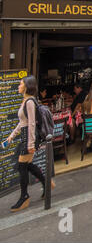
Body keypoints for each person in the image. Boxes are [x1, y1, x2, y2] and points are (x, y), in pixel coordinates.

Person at [6, 76, 55, 212]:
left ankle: (24, 197)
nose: (18, 86)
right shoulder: (25, 101)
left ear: (27, 86)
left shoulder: (30, 102)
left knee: (22, 166)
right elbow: (23, 123)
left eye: (20, 84)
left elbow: (32, 123)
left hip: (29, 137)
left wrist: (31, 143)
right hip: (24, 136)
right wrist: (11, 136)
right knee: (25, 165)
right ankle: (47, 183)